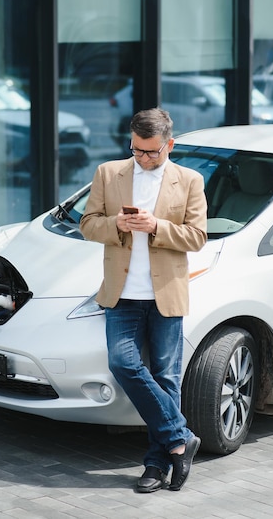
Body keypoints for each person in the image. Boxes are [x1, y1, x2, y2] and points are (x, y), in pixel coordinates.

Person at [80, 108, 207, 493]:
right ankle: (181, 438)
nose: (144, 158)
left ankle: (156, 464)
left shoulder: (189, 180)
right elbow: (87, 224)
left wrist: (157, 227)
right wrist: (115, 224)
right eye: (137, 151)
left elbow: (198, 237)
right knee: (122, 364)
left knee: (167, 378)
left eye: (151, 152)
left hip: (166, 293)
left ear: (169, 145)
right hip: (122, 295)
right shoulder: (108, 173)